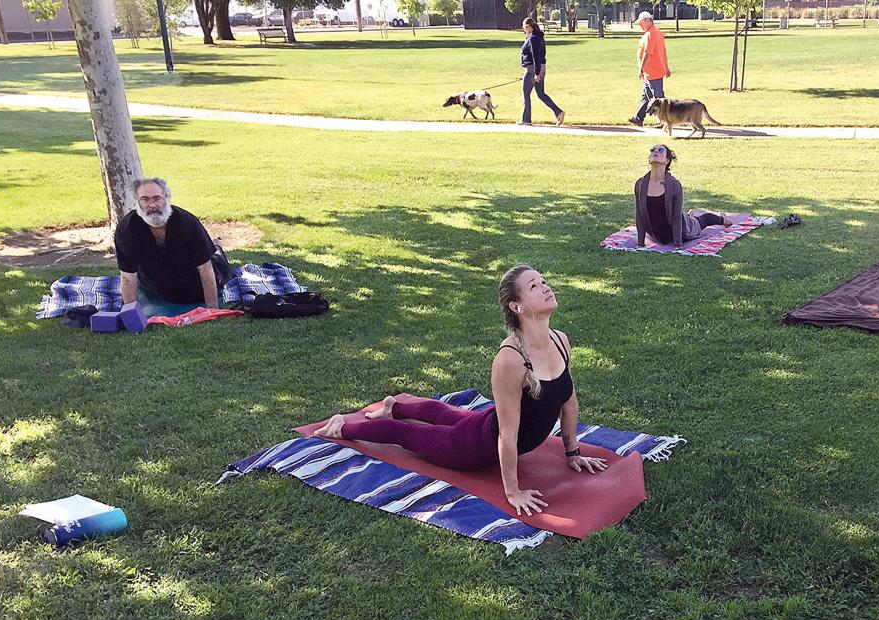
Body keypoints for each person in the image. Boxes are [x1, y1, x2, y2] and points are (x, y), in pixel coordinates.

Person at [313, 265, 608, 517]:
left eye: (543, 281)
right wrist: (513, 491)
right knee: (407, 436)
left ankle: (395, 406)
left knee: (445, 413)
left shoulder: (560, 341)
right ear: (516, 307)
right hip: (472, 448)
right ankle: (342, 426)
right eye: (534, 285)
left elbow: (568, 402)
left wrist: (573, 452)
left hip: (485, 423)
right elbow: (507, 434)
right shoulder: (511, 359)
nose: (545, 287)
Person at [114, 177, 232, 311]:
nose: (152, 205)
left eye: (157, 198)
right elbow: (128, 277)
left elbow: (206, 269)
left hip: (195, 286)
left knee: (220, 264)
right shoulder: (127, 229)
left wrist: (212, 310)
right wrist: (132, 318)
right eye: (145, 199)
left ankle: (217, 248)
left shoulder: (187, 223)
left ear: (166, 198)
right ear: (137, 202)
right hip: (157, 284)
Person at [634, 144, 739, 248]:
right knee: (684, 216)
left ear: (667, 160)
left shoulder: (675, 185)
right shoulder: (640, 184)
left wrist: (678, 246)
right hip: (659, 234)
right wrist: (640, 244)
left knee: (703, 220)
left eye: (660, 150)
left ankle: (723, 219)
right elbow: (639, 216)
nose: (655, 151)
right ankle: (688, 216)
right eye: (652, 150)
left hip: (682, 230)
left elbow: (676, 218)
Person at [519, 17, 565, 126]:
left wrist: (536, 73)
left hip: (532, 69)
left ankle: (526, 120)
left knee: (526, 94)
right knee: (540, 94)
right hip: (540, 68)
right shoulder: (539, 38)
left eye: (524, 27)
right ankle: (558, 112)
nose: (523, 29)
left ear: (528, 27)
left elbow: (536, 57)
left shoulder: (532, 39)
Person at [627, 11, 670, 127]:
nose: (640, 25)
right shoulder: (657, 33)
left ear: (647, 20)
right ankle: (639, 118)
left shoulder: (651, 34)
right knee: (646, 96)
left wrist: (641, 69)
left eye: (641, 23)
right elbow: (663, 52)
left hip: (653, 72)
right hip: (652, 72)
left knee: (657, 98)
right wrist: (666, 67)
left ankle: (664, 120)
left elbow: (648, 53)